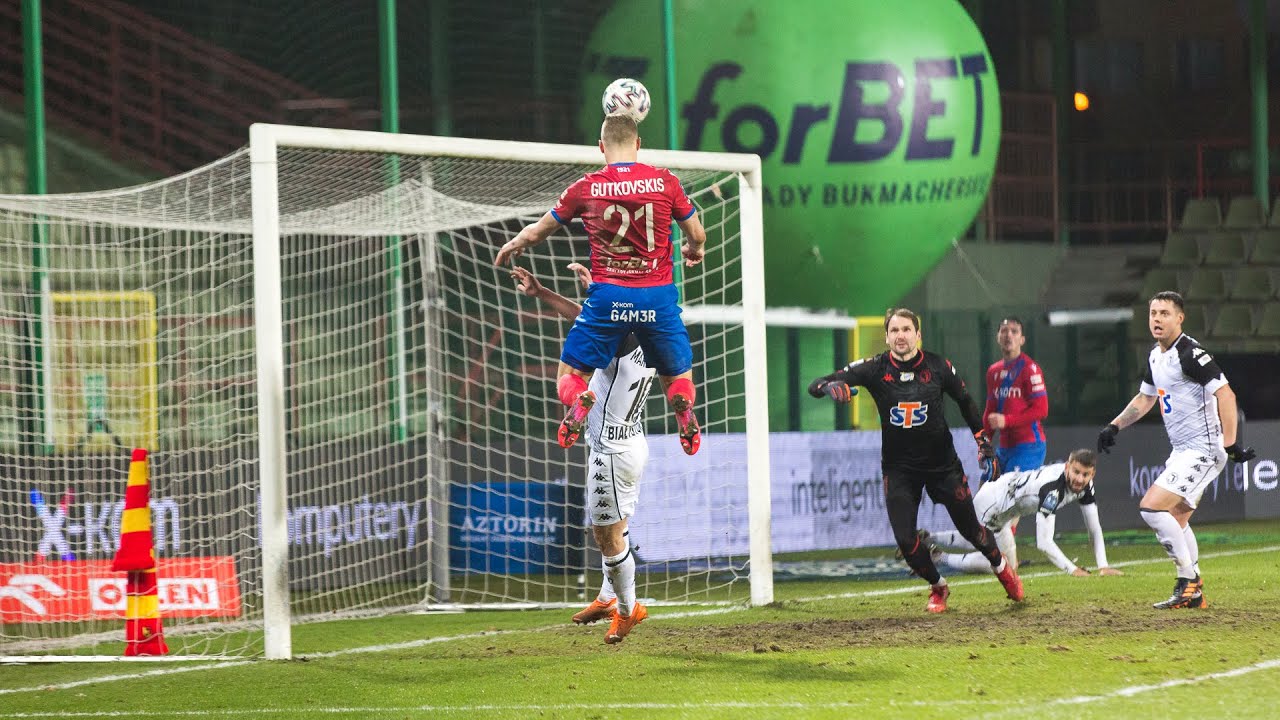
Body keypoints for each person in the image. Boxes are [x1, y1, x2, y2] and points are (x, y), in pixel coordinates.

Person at [494, 114, 707, 456]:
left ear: (600, 148)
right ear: (638, 144)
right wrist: (695, 249)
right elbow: (696, 233)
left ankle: (579, 398)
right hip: (658, 298)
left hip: (609, 299)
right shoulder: (666, 182)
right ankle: (682, 406)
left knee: (571, 372)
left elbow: (536, 232)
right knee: (676, 375)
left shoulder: (586, 187)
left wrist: (515, 243)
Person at [808, 308, 1025, 613]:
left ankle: (1001, 567)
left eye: (906, 329)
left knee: (971, 531)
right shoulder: (873, 368)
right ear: (886, 336)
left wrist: (981, 440)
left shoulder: (938, 367)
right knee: (906, 539)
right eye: (894, 330)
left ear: (918, 335)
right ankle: (938, 587)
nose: (900, 336)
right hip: (900, 470)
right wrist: (830, 387)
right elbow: (816, 384)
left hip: (943, 467)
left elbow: (964, 401)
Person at [510, 263, 653, 644]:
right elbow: (596, 321)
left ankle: (628, 610)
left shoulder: (617, 334)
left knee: (606, 538)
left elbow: (593, 326)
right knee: (617, 530)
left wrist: (592, 294)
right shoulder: (647, 332)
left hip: (611, 450)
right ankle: (608, 598)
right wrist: (548, 294)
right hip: (631, 440)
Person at [1097, 291, 1255, 609]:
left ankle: (1187, 581)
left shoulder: (1191, 354)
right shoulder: (1156, 356)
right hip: (1183, 450)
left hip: (1205, 449)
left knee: (1152, 508)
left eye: (1164, 313)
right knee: (1177, 520)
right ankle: (1193, 592)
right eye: (1153, 313)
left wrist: (1231, 443)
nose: (1156, 319)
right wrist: (1114, 426)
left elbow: (1226, 395)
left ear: (1179, 318)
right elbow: (1145, 399)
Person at [926, 449, 1124, 578]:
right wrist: (1073, 570)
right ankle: (936, 554)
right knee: (987, 550)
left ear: (1092, 474)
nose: (1080, 479)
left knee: (1006, 562)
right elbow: (1044, 543)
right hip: (994, 500)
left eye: (1085, 474)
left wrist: (1103, 566)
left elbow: (1094, 528)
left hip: (1006, 505)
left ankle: (929, 543)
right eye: (1076, 472)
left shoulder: (1086, 487)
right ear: (1067, 467)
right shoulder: (1053, 490)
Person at [983, 317, 1049, 473]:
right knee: (985, 492)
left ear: (1022, 339)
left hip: (1029, 447)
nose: (1009, 335)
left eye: (1014, 331)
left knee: (1014, 494)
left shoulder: (1030, 369)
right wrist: (984, 442)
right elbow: (990, 410)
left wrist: (1006, 420)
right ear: (998, 337)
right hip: (1004, 448)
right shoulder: (993, 371)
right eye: (1004, 331)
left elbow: (1042, 410)